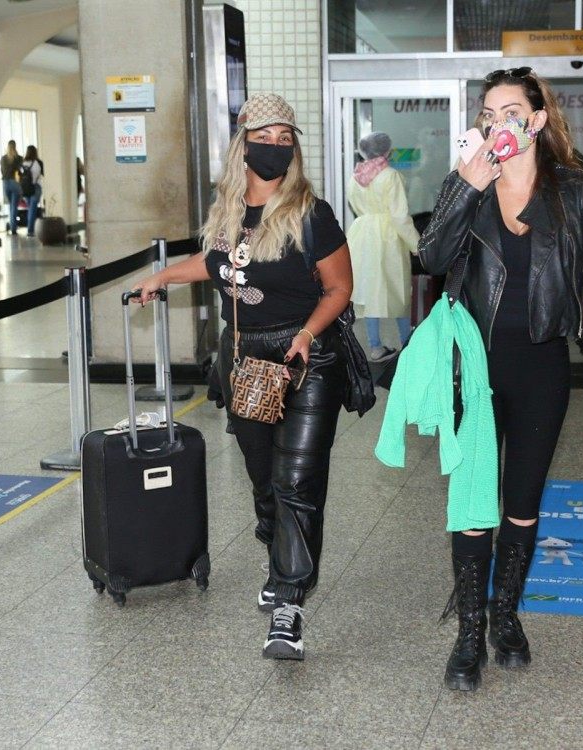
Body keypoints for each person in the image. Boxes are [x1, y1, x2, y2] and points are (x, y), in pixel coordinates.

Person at [419, 67, 583, 692]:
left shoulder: (571, 189)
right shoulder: (470, 182)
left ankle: (506, 614)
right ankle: (469, 630)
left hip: (541, 363)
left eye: (509, 111)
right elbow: (430, 257)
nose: (495, 123)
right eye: (488, 113)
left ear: (536, 120)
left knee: (521, 502)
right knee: (473, 503)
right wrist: (465, 186)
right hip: (475, 364)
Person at [132, 93, 351, 661]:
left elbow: (339, 289)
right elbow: (216, 264)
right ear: (243, 142)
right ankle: (276, 553)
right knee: (264, 481)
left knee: (296, 483)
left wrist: (306, 334)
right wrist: (162, 277)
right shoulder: (229, 210)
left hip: (306, 361)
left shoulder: (311, 214)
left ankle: (288, 603)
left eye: (286, 140)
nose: (275, 148)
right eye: (266, 137)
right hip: (244, 362)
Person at [346, 131, 419, 361]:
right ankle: (407, 341)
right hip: (387, 236)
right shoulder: (390, 176)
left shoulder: (355, 176)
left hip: (361, 234)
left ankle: (375, 346)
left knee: (369, 291)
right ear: (387, 151)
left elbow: (355, 206)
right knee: (397, 287)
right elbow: (399, 216)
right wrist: (417, 244)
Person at [20, 146, 44, 237]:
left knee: (30, 208)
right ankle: (30, 230)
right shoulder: (37, 163)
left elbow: (20, 175)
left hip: (25, 188)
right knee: (32, 209)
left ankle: (30, 229)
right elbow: (41, 174)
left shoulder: (23, 163)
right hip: (35, 187)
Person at [0, 141, 22, 235]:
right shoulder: (19, 158)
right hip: (14, 183)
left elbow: (2, 171)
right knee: (14, 207)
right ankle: (13, 228)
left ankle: (13, 225)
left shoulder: (3, 158)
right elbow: (20, 171)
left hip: (5, 183)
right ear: (15, 146)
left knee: (11, 206)